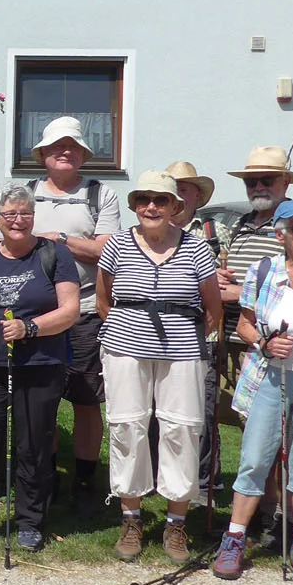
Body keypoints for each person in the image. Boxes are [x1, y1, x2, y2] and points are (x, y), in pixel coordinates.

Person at [96, 171, 221, 564]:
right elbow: (104, 299)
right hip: (124, 347)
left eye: (161, 200)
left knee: (182, 428)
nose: (151, 207)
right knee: (127, 425)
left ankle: (176, 523)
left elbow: (212, 308)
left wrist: (185, 336)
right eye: (143, 199)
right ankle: (131, 518)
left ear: (175, 208)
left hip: (183, 349)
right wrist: (124, 332)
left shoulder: (197, 248)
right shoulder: (117, 244)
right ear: (134, 205)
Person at [0, 182, 79, 551]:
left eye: (25, 213)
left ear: (33, 217)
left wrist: (31, 328)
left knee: (33, 444)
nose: (18, 220)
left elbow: (69, 310)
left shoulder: (54, 254)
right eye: (10, 214)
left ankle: (30, 522)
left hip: (40, 361)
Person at [214, 200, 293, 581]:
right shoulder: (264, 272)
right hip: (271, 377)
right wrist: (265, 343)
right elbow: (245, 324)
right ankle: (234, 539)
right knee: (254, 459)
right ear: (281, 235)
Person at [24, 117, 121, 508]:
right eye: (56, 147)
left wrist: (60, 241)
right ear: (43, 154)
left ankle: (84, 480)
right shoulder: (26, 193)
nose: (64, 152)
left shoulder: (101, 195)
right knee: (40, 399)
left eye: (72, 147)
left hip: (83, 310)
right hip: (36, 315)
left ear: (82, 155)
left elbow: (107, 251)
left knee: (84, 397)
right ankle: (43, 475)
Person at [218, 146, 293, 540]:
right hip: (240, 340)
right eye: (253, 180)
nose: (259, 186)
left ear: (285, 182)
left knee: (279, 435)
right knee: (251, 433)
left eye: (267, 179)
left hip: (275, 345)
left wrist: (236, 292)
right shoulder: (240, 225)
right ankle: (256, 511)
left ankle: (279, 514)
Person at [165, 160, 225, 507]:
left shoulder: (216, 232)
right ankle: (166, 481)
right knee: (159, 418)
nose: (175, 197)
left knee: (199, 415)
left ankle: (204, 486)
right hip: (153, 342)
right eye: (170, 189)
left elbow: (227, 286)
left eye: (183, 190)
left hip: (203, 339)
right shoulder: (143, 230)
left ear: (197, 196)